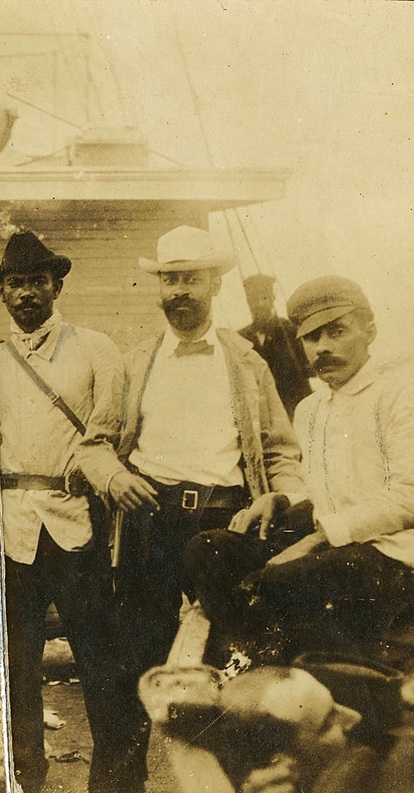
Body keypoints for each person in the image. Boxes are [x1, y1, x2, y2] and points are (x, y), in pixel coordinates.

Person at [187, 276, 414, 669]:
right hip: (346, 549)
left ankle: (348, 674)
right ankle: (256, 658)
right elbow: (330, 495)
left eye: (337, 331)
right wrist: (282, 500)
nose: (323, 347)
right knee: (208, 549)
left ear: (369, 332)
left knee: (283, 580)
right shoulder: (312, 410)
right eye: (311, 337)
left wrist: (316, 540)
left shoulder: (406, 392)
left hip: (409, 557)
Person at [79, 224, 305, 682]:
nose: (179, 291)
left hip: (223, 523)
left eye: (191, 279)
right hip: (150, 522)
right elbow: (93, 445)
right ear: (159, 287)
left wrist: (282, 499)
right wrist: (115, 479)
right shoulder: (135, 362)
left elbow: (281, 451)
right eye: (170, 280)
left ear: (215, 285)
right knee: (145, 651)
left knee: (229, 656)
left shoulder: (247, 363)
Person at [0, 230, 147, 793]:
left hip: (76, 520)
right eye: (16, 283)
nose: (26, 293)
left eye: (37, 282)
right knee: (19, 669)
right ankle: (25, 778)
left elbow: (109, 434)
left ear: (56, 285)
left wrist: (92, 476)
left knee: (103, 663)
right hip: (13, 528)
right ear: (1, 291)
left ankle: (116, 783)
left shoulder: (96, 348)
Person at [146, 664, 414, 793]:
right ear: (280, 764)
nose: (350, 716)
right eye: (328, 722)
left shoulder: (327, 763)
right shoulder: (398, 766)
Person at [238, 273, 312, 419]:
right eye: (253, 299)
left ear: (272, 298)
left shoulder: (291, 330)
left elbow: (310, 368)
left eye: (264, 297)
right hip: (262, 412)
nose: (259, 304)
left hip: (296, 408)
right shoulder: (240, 337)